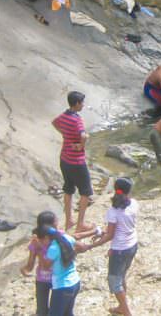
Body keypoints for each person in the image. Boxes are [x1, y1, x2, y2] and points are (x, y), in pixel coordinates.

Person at [84, 178, 139, 315]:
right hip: (132, 245)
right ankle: (122, 306)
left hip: (120, 249)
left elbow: (110, 235)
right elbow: (119, 228)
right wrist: (105, 233)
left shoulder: (113, 211)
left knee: (114, 281)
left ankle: (126, 311)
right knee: (122, 275)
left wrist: (90, 246)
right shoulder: (134, 204)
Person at [36, 211, 92, 316]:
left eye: (42, 240)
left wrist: (39, 250)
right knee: (68, 313)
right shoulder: (66, 238)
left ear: (46, 238)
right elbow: (81, 246)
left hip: (62, 287)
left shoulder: (53, 248)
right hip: (75, 282)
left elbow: (45, 266)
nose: (42, 243)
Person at [53, 92, 93, 232]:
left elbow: (54, 123)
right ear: (76, 104)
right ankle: (80, 223)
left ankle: (69, 221)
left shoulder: (63, 116)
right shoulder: (77, 120)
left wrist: (65, 135)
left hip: (64, 158)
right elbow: (82, 135)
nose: (82, 105)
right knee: (85, 191)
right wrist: (81, 144)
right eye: (81, 102)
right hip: (76, 161)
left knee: (68, 189)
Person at [21, 224, 55, 316]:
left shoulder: (55, 244)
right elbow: (30, 264)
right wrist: (25, 269)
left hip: (56, 279)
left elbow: (47, 264)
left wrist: (40, 248)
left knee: (56, 309)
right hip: (42, 279)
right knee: (41, 310)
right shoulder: (34, 244)